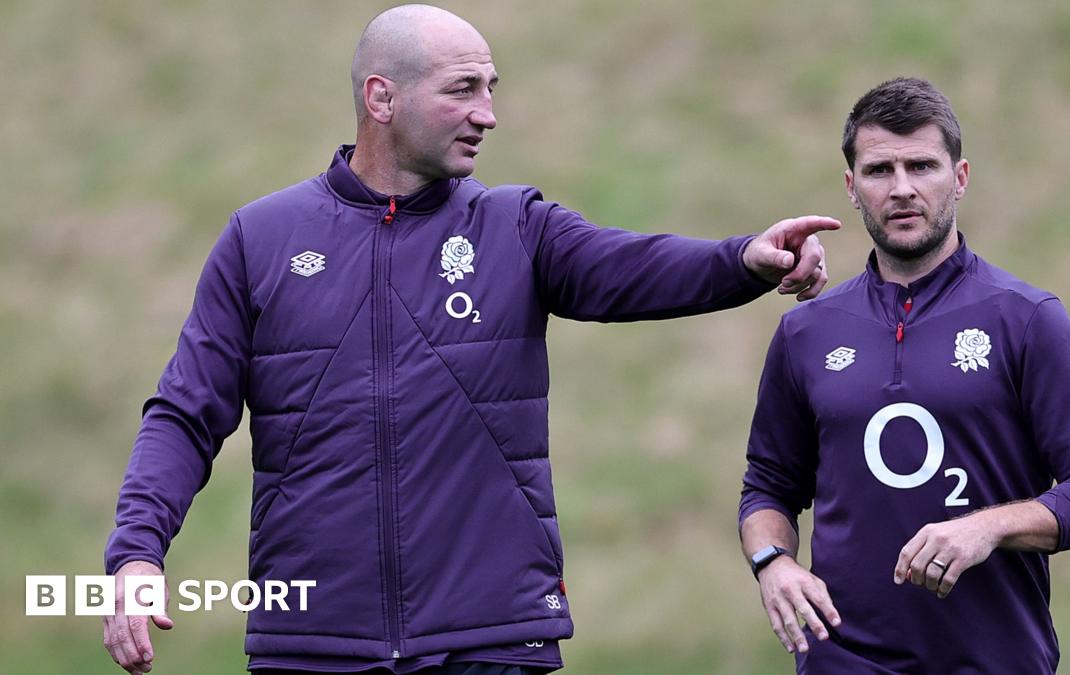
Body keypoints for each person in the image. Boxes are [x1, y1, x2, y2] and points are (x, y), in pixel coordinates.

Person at [101, 5, 840, 675]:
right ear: (381, 98)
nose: (487, 113)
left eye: (491, 88)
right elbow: (185, 414)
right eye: (462, 90)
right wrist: (137, 552)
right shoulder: (260, 239)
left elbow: (635, 270)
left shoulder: (517, 227)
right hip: (315, 645)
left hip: (489, 641)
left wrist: (746, 259)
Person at [738, 77, 1070, 674]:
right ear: (851, 188)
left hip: (993, 660)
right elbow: (768, 486)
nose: (901, 189)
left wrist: (988, 528)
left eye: (922, 165)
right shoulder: (807, 331)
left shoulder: (1026, 320)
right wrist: (773, 562)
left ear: (961, 176)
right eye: (879, 171)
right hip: (842, 663)